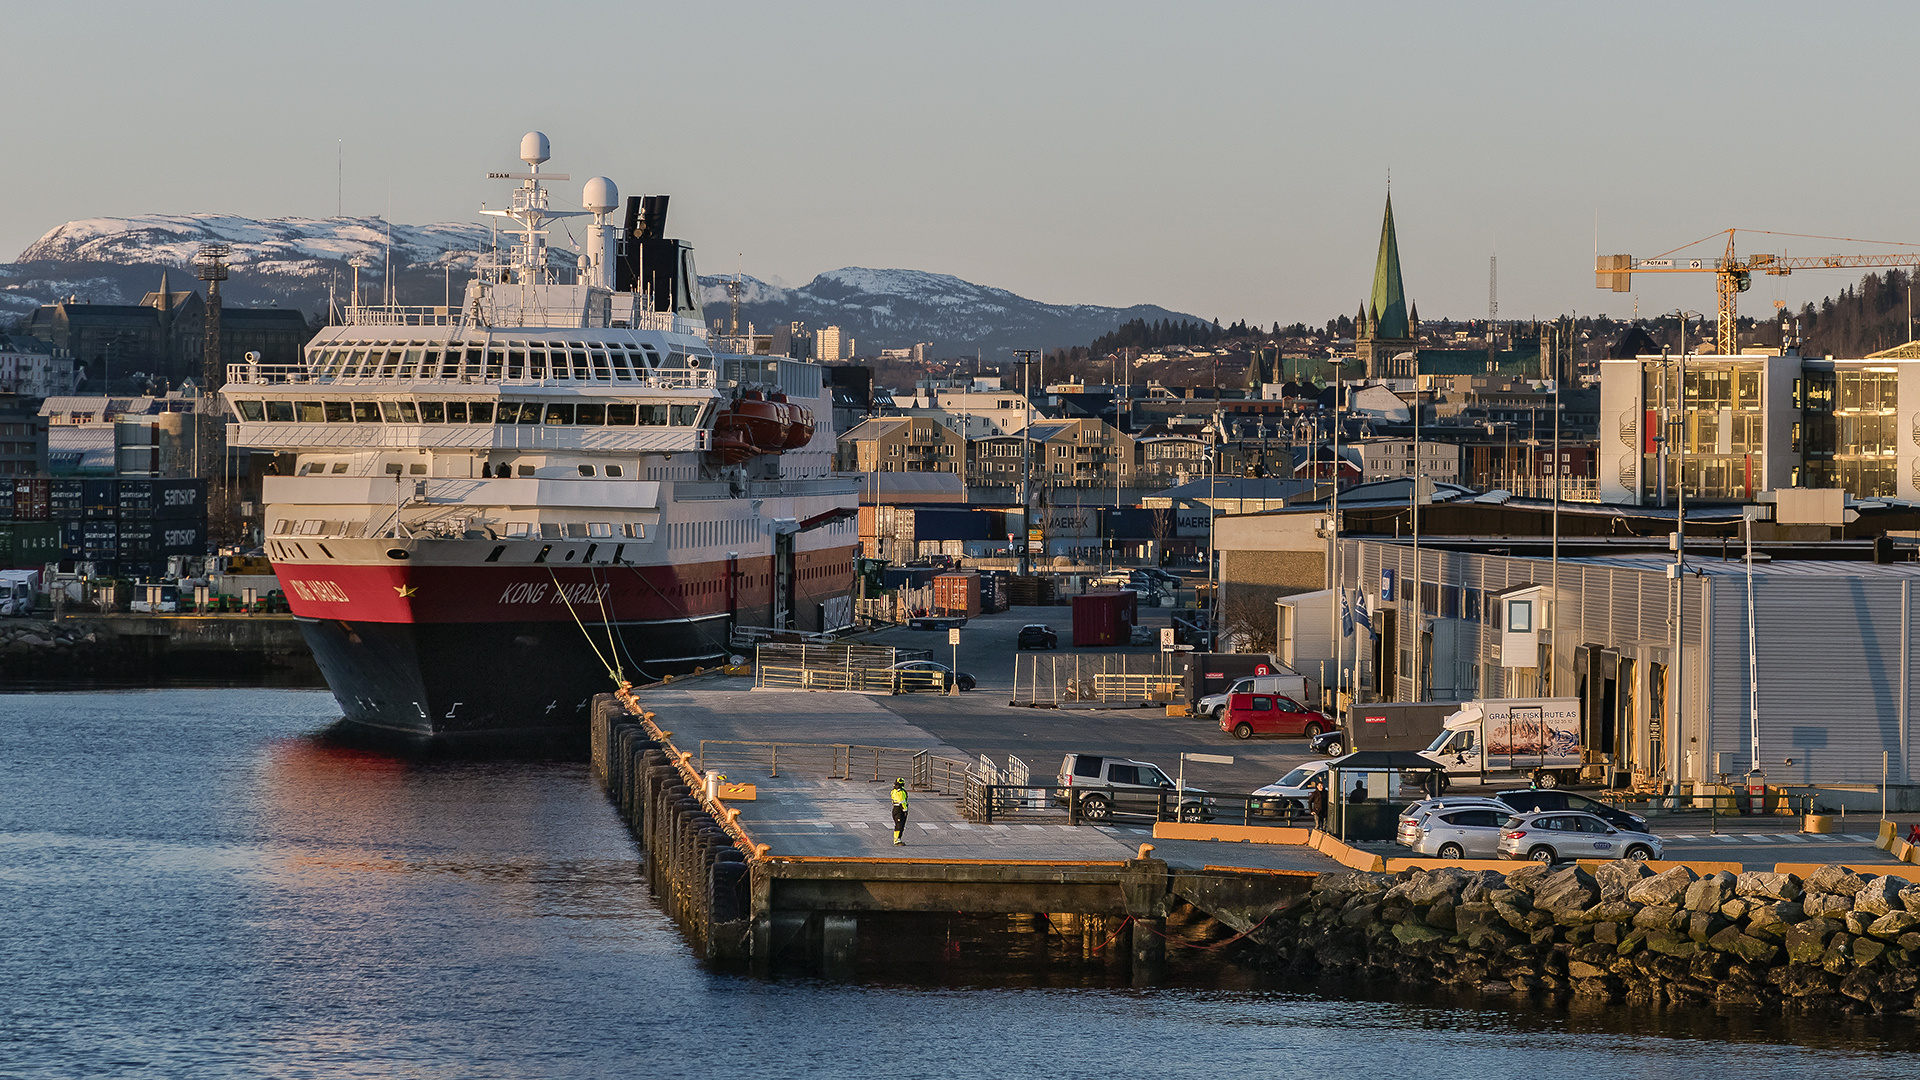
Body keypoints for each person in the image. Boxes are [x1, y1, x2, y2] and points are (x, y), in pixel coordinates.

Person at [890, 778, 910, 845]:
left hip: (895, 808)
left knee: (899, 824)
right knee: (899, 825)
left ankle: (898, 839)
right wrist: (905, 809)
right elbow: (902, 802)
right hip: (899, 809)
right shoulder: (900, 792)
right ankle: (897, 840)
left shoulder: (893, 791)